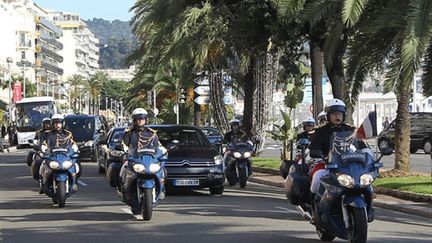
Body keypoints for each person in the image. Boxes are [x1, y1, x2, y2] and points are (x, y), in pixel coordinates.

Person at [119, 108, 166, 213]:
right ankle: (124, 190)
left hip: (149, 160)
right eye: (138, 119)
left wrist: (164, 152)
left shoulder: (151, 133)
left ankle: (161, 188)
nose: (140, 121)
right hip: (135, 159)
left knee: (162, 170)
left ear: (146, 120)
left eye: (143, 118)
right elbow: (124, 145)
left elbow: (158, 146)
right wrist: (125, 151)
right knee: (123, 169)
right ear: (134, 120)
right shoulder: (129, 133)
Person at [309, 99, 355, 195]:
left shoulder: (350, 130)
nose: (337, 116)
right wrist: (318, 153)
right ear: (328, 116)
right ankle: (313, 204)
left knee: (364, 180)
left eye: (340, 114)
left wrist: (366, 151)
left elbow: (360, 145)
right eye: (334, 114)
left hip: (348, 165)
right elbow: (314, 148)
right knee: (317, 178)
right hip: (326, 164)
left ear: (344, 115)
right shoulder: (320, 131)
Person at [39, 114, 79, 192]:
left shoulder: (67, 134)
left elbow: (72, 144)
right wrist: (44, 150)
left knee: (76, 166)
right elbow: (44, 144)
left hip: (65, 156)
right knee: (43, 166)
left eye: (59, 123)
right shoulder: (48, 134)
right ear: (52, 124)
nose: (57, 125)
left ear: (63, 124)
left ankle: (74, 183)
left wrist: (75, 150)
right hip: (53, 156)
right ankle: (43, 183)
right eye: (55, 123)